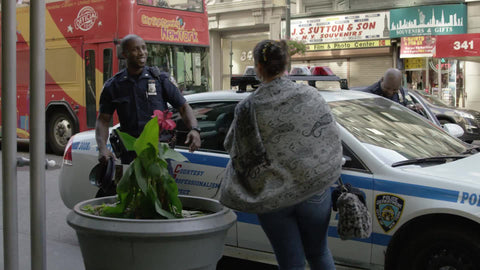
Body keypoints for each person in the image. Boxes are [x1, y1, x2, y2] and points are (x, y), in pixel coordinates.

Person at [219, 39, 343, 270]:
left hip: (273, 195)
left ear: (258, 67)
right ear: (287, 63)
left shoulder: (249, 106)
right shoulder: (311, 95)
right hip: (313, 189)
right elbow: (330, 136)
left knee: (291, 263)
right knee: (318, 252)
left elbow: (235, 147)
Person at [95, 34, 201, 165]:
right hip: (131, 155)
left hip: (158, 155)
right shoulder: (113, 86)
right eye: (135, 49)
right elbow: (103, 120)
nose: (142, 53)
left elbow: (183, 107)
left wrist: (194, 129)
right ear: (125, 54)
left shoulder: (160, 79)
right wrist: (102, 148)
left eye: (144, 48)